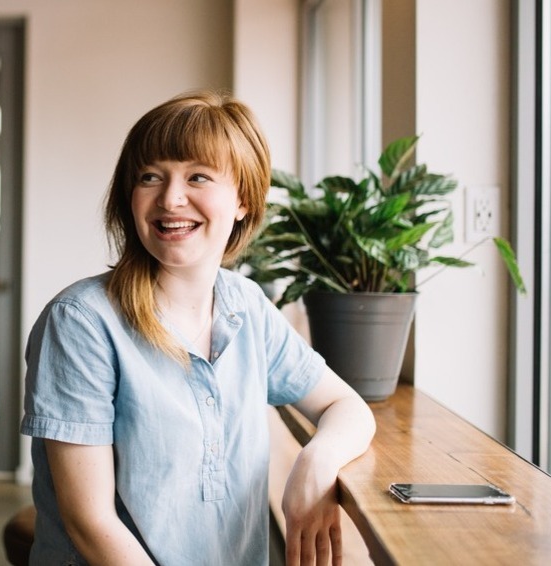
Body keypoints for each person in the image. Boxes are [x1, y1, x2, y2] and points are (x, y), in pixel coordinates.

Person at [20, 89, 376, 566]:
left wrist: (316, 461)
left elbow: (346, 406)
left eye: (197, 177)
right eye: (150, 177)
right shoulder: (80, 322)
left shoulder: (246, 305)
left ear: (244, 200)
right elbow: (91, 524)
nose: (170, 198)